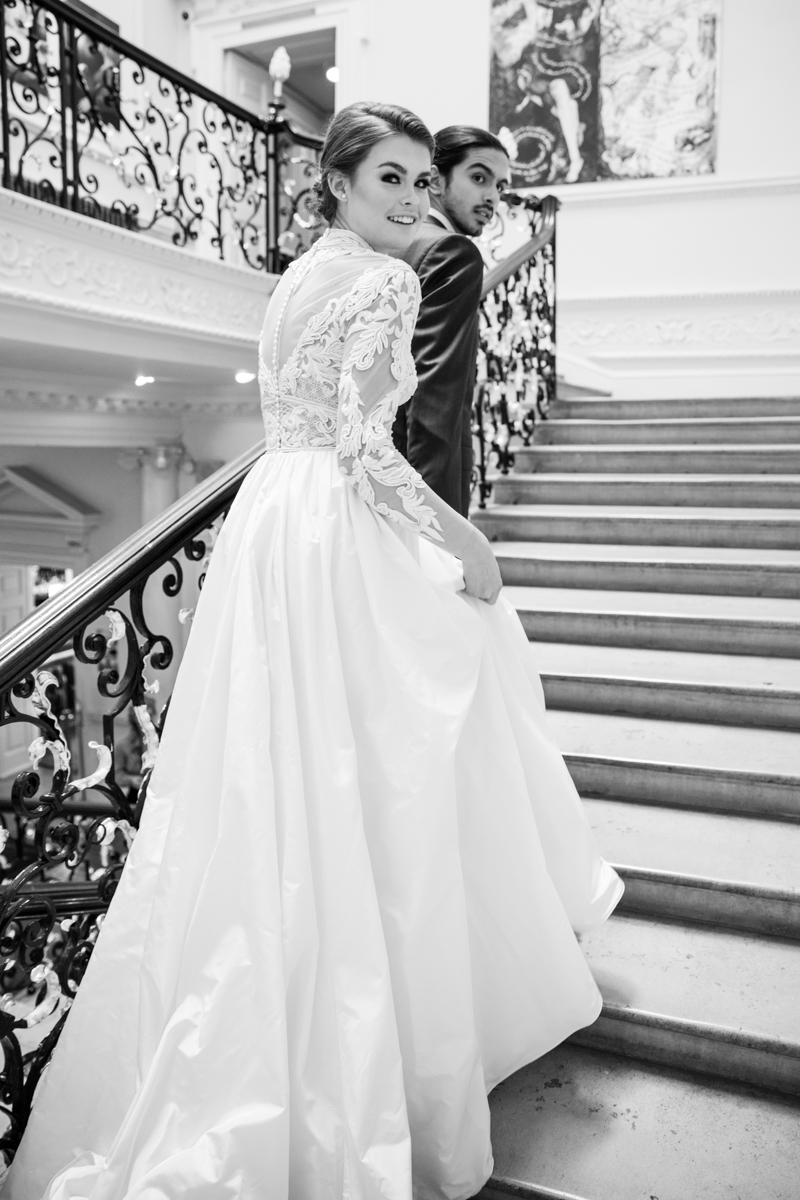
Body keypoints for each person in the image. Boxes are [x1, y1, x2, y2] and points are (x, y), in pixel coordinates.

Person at [4, 102, 622, 1200]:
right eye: (388, 179)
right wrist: (463, 535)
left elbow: (307, 424)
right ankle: (399, 997)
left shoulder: (293, 277)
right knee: (413, 711)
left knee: (288, 758)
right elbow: (364, 446)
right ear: (335, 181)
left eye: (419, 182)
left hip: (271, 520)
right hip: (333, 514)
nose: (413, 201)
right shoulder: (386, 280)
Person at [392, 126, 511, 517]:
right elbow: (434, 399)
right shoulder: (451, 252)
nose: (492, 196)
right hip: (421, 490)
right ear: (437, 179)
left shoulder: (391, 243)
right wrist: (436, 525)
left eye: (500, 186)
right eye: (479, 178)